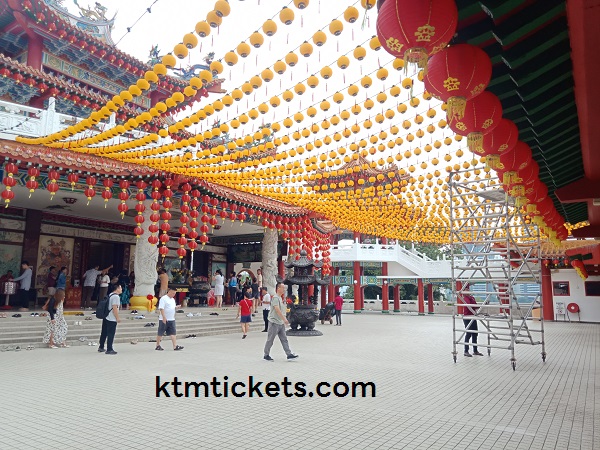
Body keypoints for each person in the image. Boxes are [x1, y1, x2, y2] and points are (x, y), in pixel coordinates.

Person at [263, 283, 298, 361]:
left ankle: (289, 354)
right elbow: (277, 309)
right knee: (270, 339)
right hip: (274, 322)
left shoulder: (280, 298)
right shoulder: (275, 298)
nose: (284, 289)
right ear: (278, 288)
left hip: (280, 323)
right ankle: (266, 354)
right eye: (282, 287)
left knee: (284, 339)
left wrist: (283, 319)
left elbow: (281, 310)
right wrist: (284, 319)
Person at [98, 284, 122, 355]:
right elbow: (115, 308)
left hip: (106, 316)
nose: (121, 289)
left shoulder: (110, 295)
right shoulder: (116, 297)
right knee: (111, 333)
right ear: (117, 288)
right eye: (120, 288)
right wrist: (117, 318)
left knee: (104, 332)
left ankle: (101, 346)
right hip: (112, 318)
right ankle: (109, 349)